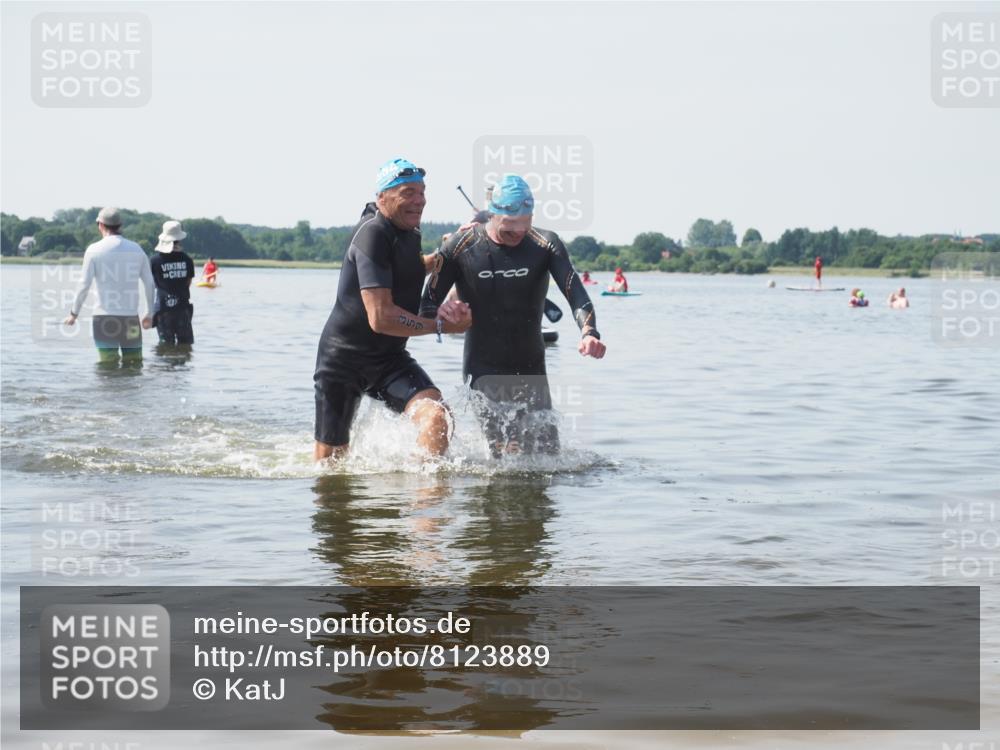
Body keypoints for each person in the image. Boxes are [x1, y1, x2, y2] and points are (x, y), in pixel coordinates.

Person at [420, 174, 606, 457]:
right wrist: (444, 314)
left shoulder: (545, 243)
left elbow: (575, 293)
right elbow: (427, 305)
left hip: (531, 366)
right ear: (491, 215)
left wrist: (589, 332)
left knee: (547, 456)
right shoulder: (460, 245)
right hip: (483, 367)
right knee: (505, 456)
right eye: (509, 229)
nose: (518, 234)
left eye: (524, 225)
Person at [313, 158, 472, 462]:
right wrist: (440, 326)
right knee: (331, 463)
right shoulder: (373, 233)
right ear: (382, 196)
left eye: (422, 192)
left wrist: (446, 253)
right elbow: (382, 317)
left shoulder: (408, 231)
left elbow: (406, 269)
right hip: (343, 361)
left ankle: (423, 500)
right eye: (408, 192)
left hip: (389, 360)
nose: (419, 201)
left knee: (438, 419)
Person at [63, 207, 154, 364]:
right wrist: (149, 312)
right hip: (130, 319)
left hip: (103, 319)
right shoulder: (137, 249)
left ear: (100, 224)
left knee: (107, 366)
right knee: (133, 364)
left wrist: (74, 313)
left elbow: (84, 284)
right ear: (120, 225)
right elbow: (150, 283)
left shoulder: (94, 250)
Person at [150, 220, 195, 346]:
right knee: (186, 345)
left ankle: (165, 365)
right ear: (179, 239)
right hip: (182, 308)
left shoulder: (154, 261)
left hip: (163, 309)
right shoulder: (187, 259)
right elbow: (188, 282)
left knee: (165, 346)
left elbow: (150, 284)